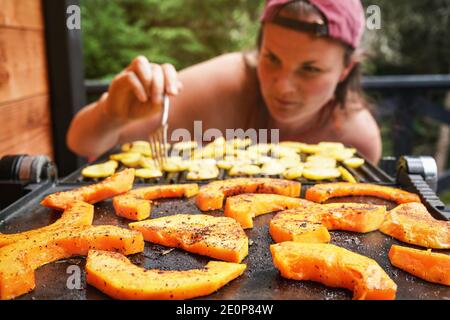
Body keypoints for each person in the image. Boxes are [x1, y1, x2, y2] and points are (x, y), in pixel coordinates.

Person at [67, 0, 382, 164]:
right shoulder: (223, 85)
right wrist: (112, 113)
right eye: (271, 58)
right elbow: (83, 142)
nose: (282, 85)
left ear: (345, 70)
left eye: (310, 70)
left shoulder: (358, 139)